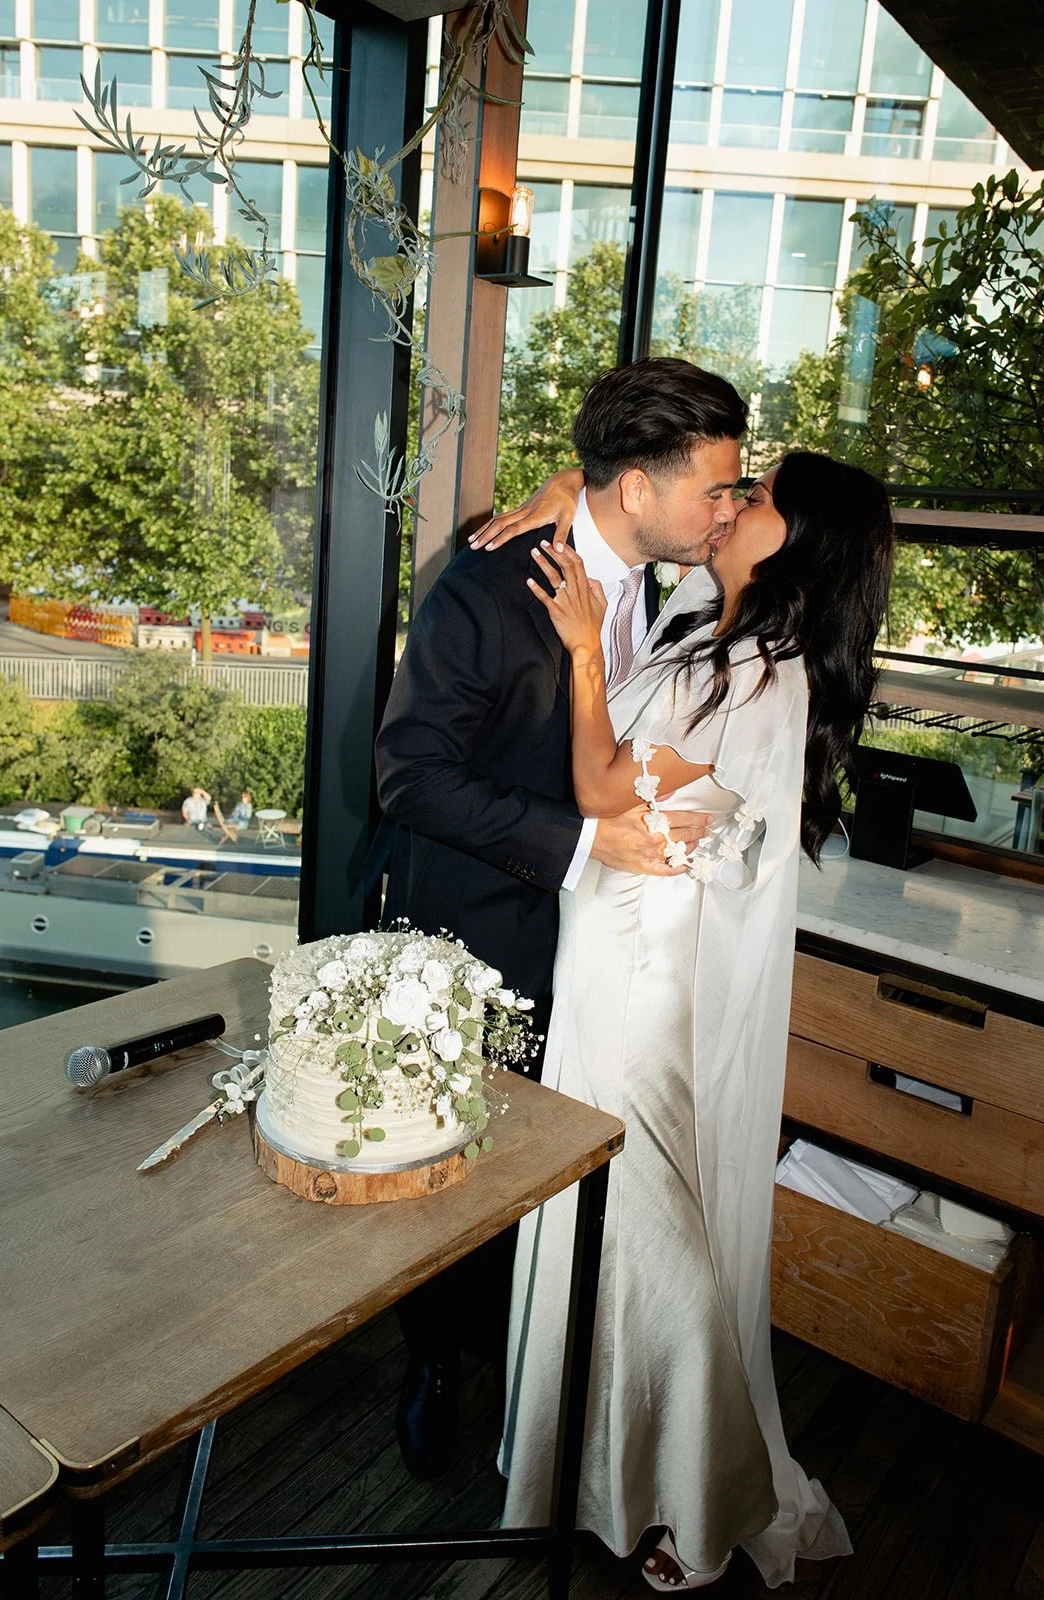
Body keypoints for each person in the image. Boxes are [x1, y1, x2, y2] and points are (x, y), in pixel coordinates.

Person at [492, 452, 895, 1590]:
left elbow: (606, 791)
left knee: (642, 1221)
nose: (731, 507)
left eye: (756, 498)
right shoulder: (698, 625)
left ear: (796, 540)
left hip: (648, 970)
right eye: (732, 487)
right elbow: (637, 496)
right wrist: (563, 489)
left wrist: (578, 655)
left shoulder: (764, 676)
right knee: (604, 1216)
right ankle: (604, 1466)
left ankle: (698, 1488)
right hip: (610, 939)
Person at [374, 357, 749, 1480]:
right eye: (712, 490)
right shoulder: (486, 588)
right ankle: (438, 1362)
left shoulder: (668, 585)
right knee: (462, 1178)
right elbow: (408, 776)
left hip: (598, 952)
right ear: (637, 486)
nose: (724, 510)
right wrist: (586, 844)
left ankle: (537, 1371)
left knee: (543, 1172)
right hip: (483, 933)